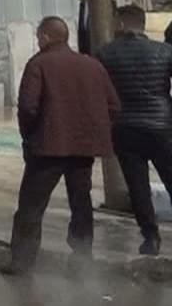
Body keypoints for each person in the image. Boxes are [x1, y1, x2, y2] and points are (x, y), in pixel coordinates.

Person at [7, 15, 122, 275]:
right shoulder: (92, 65)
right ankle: (82, 257)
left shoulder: (39, 64)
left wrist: (30, 137)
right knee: (81, 202)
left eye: (39, 37)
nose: (38, 41)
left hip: (48, 148)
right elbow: (114, 106)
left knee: (31, 206)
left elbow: (27, 107)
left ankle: (22, 261)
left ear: (46, 37)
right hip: (83, 149)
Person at [96, 4, 172, 256]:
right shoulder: (164, 51)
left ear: (120, 24)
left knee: (138, 186)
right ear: (143, 24)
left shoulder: (106, 54)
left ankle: (150, 237)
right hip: (162, 127)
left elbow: (101, 94)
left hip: (125, 127)